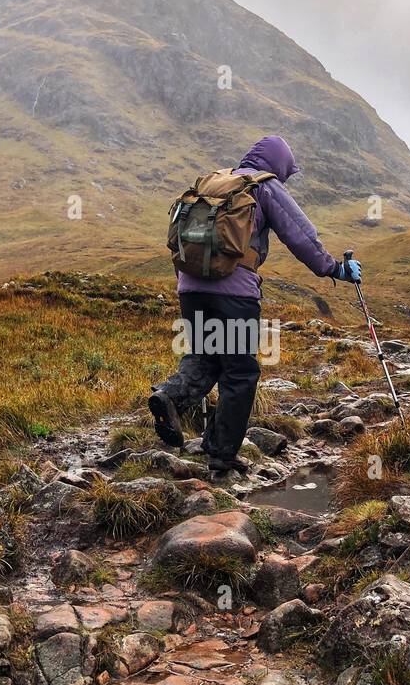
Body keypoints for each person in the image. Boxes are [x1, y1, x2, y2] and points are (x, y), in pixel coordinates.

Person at [149, 135, 362, 473]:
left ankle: (170, 397)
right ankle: (221, 453)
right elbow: (299, 234)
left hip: (191, 290)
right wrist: (333, 268)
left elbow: (180, 237)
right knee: (240, 372)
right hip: (234, 294)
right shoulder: (264, 187)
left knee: (205, 357)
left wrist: (186, 286)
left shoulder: (213, 182)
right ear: (279, 165)